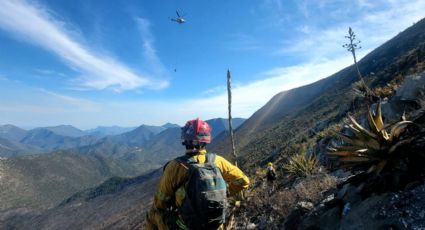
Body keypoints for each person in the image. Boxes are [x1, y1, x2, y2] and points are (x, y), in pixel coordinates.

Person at [145, 118, 250, 230]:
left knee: (152, 214)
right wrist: (223, 193)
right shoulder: (218, 161)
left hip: (186, 225)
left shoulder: (175, 166)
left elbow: (160, 201)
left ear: (185, 140)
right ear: (206, 140)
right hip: (215, 225)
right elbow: (244, 180)